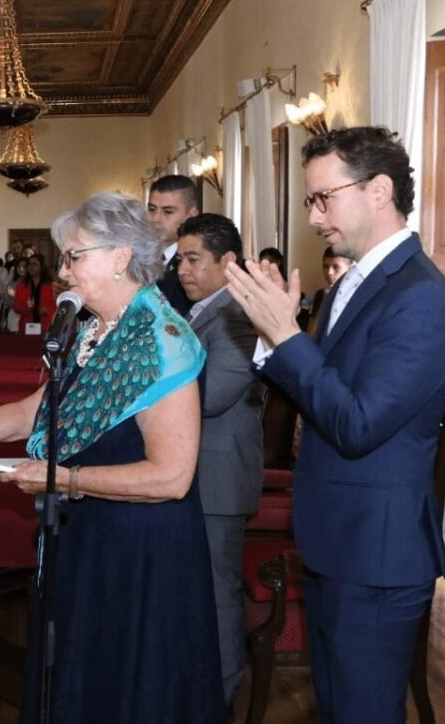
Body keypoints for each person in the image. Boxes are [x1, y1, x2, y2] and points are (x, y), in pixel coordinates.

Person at [0, 192, 222, 722]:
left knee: (125, 685)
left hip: (139, 551)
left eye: (74, 256)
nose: (62, 271)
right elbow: (36, 411)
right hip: (89, 533)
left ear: (121, 257)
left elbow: (172, 477)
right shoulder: (94, 329)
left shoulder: (161, 339)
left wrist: (64, 479)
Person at [225, 127, 445, 724]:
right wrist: (275, 342)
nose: (313, 217)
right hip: (335, 543)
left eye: (323, 198)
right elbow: (322, 397)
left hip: (377, 557)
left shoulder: (420, 296)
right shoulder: (353, 285)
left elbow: (357, 424)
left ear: (378, 190)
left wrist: (286, 337)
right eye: (310, 200)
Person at [177, 213, 265, 712]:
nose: (182, 270)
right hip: (195, 469)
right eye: (180, 259)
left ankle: (223, 693)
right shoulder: (203, 310)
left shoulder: (237, 315)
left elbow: (212, 396)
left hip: (218, 476)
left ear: (227, 260)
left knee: (216, 592)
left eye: (193, 259)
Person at [147, 174, 200, 316]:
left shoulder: (196, 263)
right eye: (152, 209)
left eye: (168, 211)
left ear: (191, 215)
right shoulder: (140, 255)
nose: (155, 219)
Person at [306, 246, 354, 335]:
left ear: (350, 268)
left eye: (336, 267)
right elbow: (311, 335)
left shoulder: (356, 295)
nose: (329, 272)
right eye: (325, 266)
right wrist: (324, 302)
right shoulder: (321, 294)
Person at [13, 253, 55, 331]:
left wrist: (46, 310)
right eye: (29, 264)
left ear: (42, 266)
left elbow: (57, 306)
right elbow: (16, 307)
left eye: (35, 264)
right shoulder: (21, 286)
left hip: (46, 326)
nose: (31, 267)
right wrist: (28, 308)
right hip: (26, 326)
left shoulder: (52, 285)